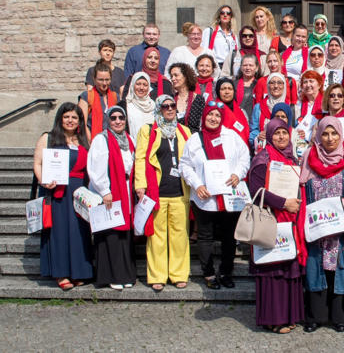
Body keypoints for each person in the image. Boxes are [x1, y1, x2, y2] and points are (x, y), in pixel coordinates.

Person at [299, 117, 344, 333]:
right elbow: (300, 187)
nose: (329, 138)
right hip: (316, 228)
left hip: (342, 229)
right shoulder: (310, 156)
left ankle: (340, 317)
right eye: (325, 134)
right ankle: (315, 316)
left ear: (340, 134)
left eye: (334, 133)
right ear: (318, 135)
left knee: (340, 270)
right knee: (315, 269)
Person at [180, 102, 250, 290]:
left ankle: (227, 272)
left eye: (217, 115)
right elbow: (184, 165)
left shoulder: (232, 136)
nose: (214, 118)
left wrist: (238, 173)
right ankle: (209, 273)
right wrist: (197, 184)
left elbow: (244, 157)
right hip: (205, 197)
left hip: (229, 196)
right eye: (210, 115)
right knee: (205, 236)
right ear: (204, 117)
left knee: (229, 237)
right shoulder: (194, 139)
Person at [248, 118, 304, 333]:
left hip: (290, 220)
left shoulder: (291, 158)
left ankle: (289, 315)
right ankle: (274, 318)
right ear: (269, 135)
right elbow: (256, 190)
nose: (281, 136)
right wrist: (283, 203)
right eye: (277, 133)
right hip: (271, 219)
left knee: (288, 269)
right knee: (273, 270)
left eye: (284, 132)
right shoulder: (263, 158)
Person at [135, 95, 192, 291]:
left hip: (179, 190)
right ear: (159, 109)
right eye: (165, 106)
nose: (169, 109)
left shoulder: (184, 131)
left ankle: (178, 274)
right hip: (157, 190)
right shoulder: (148, 130)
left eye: (172, 106)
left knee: (179, 235)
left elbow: (192, 159)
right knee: (157, 236)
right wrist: (140, 185)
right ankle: (157, 275)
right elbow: (141, 158)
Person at [34, 103, 92, 290]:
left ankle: (79, 271)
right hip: (57, 191)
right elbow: (37, 163)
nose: (70, 120)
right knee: (59, 232)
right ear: (60, 118)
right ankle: (61, 274)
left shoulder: (83, 139)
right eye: (67, 117)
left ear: (79, 121)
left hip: (79, 192)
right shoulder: (48, 138)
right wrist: (43, 181)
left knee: (78, 233)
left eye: (74, 117)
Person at [87, 105, 136, 290]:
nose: (117, 121)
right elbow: (96, 166)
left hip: (126, 189)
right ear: (108, 120)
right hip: (110, 191)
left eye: (121, 118)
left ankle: (125, 274)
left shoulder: (129, 139)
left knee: (124, 234)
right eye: (113, 118)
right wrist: (105, 190)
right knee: (111, 233)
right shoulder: (102, 139)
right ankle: (112, 275)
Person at [250, 72, 292, 150]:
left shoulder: (291, 106)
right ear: (267, 86)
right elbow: (253, 130)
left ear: (284, 86)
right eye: (272, 83)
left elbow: (293, 128)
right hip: (265, 150)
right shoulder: (259, 107)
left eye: (279, 83)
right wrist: (258, 136)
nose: (276, 86)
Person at [79, 63, 119, 140]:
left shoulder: (115, 97)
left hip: (112, 141)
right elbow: (82, 124)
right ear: (94, 79)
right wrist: (91, 143)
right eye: (101, 80)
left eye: (107, 80)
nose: (104, 83)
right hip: (92, 141)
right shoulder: (86, 96)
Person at [169, 62, 205, 133]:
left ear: (185, 76)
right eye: (171, 76)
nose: (173, 79)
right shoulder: (170, 100)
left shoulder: (199, 100)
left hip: (193, 139)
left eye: (176, 75)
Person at [215, 76, 250, 144]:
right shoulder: (213, 111)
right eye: (223, 89)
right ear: (218, 91)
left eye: (230, 89)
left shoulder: (242, 111)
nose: (227, 92)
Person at [121, 72, 155, 141]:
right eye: (138, 84)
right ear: (132, 85)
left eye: (145, 85)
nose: (141, 88)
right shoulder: (126, 106)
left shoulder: (154, 106)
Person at [234, 54, 261, 119]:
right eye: (245, 65)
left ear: (256, 68)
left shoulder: (260, 85)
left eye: (251, 65)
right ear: (241, 67)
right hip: (236, 119)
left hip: (254, 121)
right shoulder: (233, 85)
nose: (248, 68)